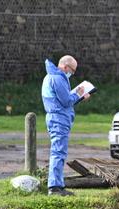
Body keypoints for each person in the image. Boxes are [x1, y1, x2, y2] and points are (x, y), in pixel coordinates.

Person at [41, 55, 90, 196]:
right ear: (65, 66)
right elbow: (66, 101)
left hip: (57, 117)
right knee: (58, 152)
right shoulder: (57, 78)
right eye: (72, 70)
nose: (72, 73)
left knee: (59, 151)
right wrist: (79, 94)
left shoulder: (51, 76)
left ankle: (58, 185)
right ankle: (55, 187)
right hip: (58, 118)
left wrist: (77, 97)